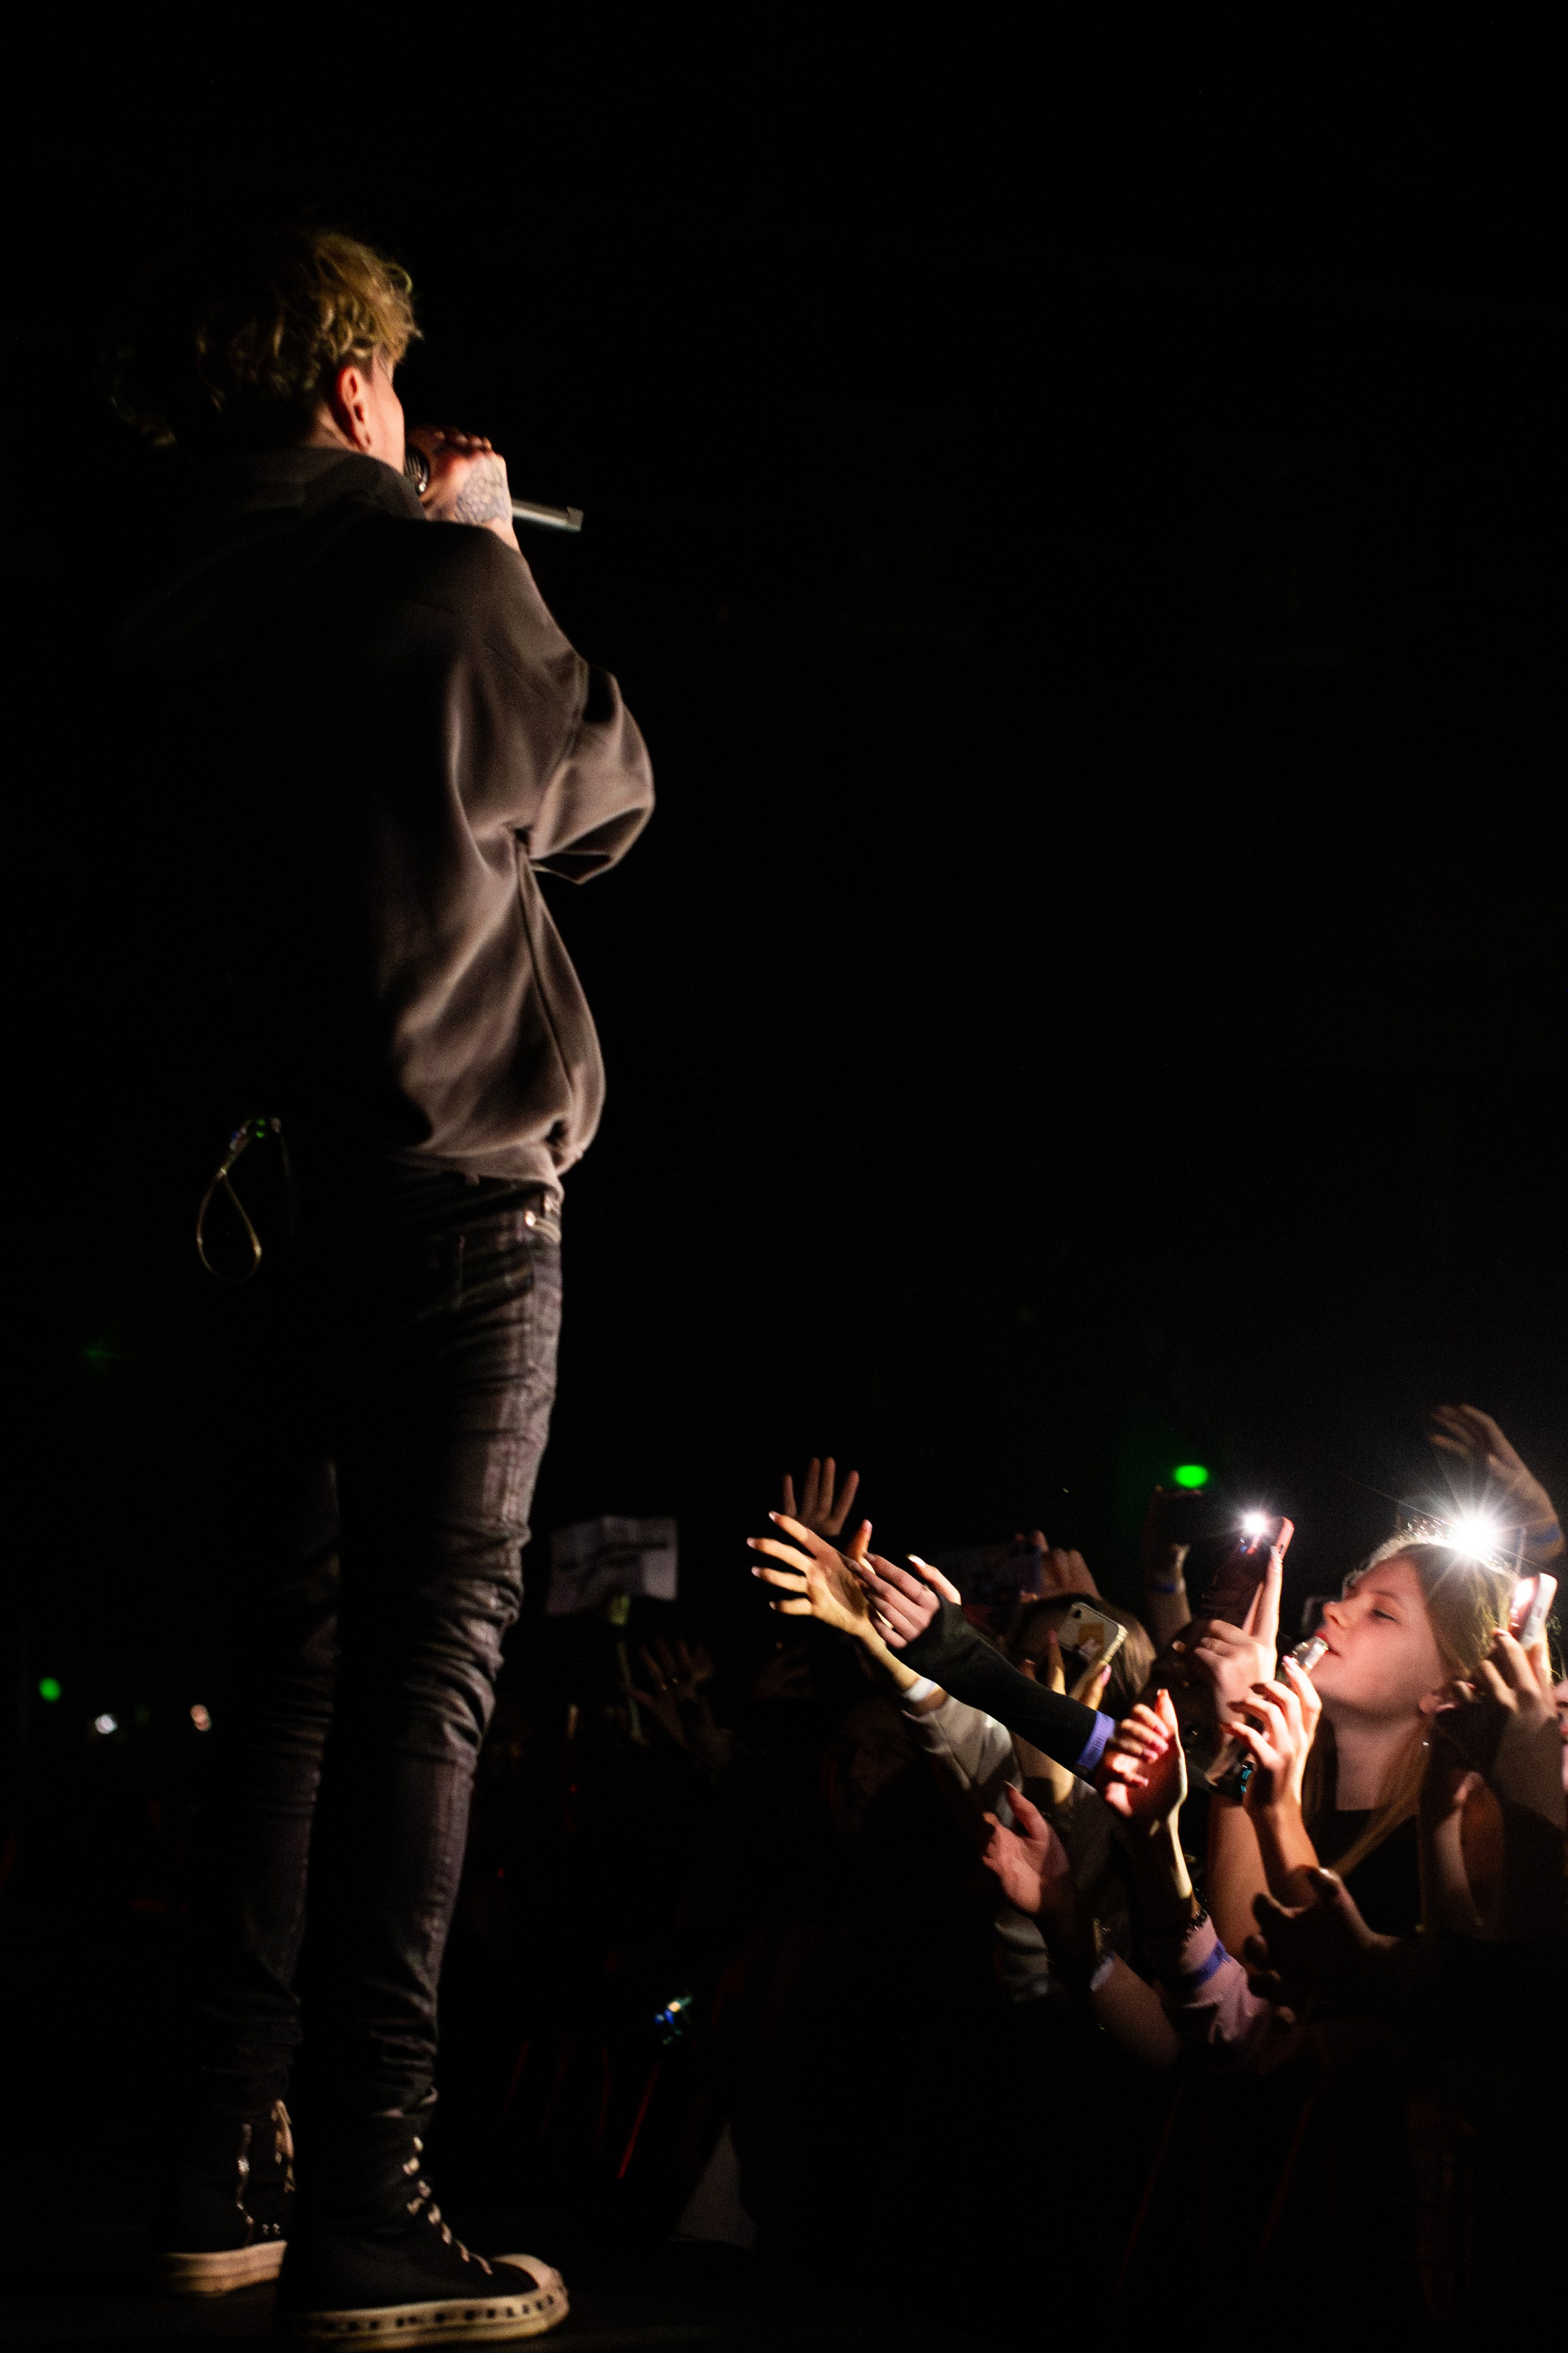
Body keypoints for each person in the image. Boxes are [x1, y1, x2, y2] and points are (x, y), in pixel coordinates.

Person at [116, 224, 652, 2342]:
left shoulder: (163, 609)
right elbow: (611, 795)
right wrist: (495, 543)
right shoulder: (427, 579)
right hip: (453, 1196)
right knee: (426, 1674)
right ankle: (370, 2185)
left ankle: (215, 2152)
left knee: (295, 1677)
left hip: (263, 1205)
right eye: (399, 375)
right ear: (356, 386)